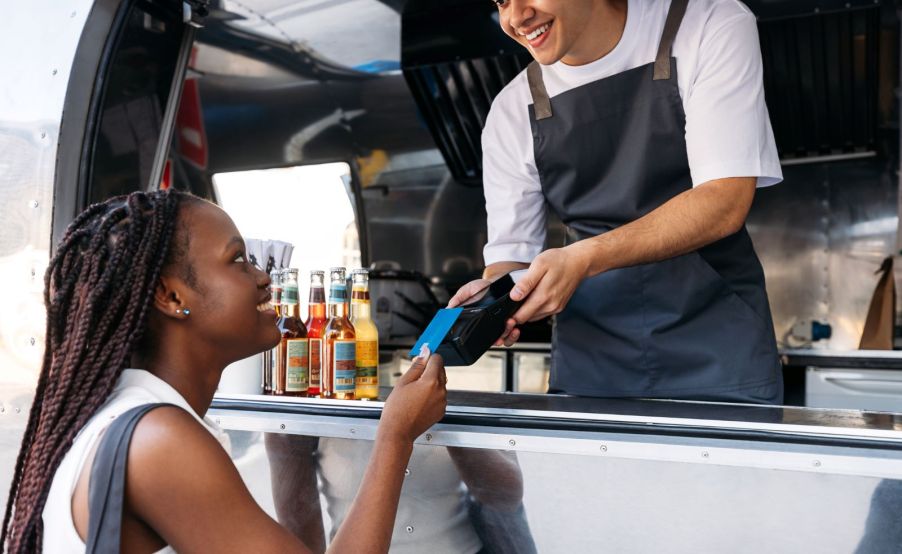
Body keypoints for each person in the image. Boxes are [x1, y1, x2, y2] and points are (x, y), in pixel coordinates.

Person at [1, 190, 448, 553]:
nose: (264, 278)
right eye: (238, 259)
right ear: (171, 297)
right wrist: (396, 436)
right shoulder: (160, 441)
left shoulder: (128, 415)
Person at [451, 0, 784, 404]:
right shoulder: (511, 110)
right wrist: (496, 298)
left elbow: (723, 201)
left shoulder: (707, 23)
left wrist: (584, 257)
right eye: (501, 1)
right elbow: (512, 258)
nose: (515, 17)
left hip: (721, 348)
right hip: (591, 363)